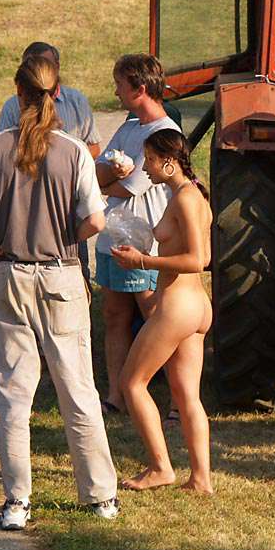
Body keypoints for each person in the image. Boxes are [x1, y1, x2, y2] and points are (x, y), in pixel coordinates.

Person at [0, 54, 119, 528]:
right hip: (60, 272)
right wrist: (69, 234)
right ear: (55, 94)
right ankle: (100, 496)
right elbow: (97, 218)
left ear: (18, 94)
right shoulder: (73, 150)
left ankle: (17, 501)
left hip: (11, 274)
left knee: (14, 395)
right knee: (77, 388)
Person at [111, 129, 213, 493]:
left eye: (150, 160)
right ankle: (201, 479)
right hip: (196, 306)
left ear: (169, 162)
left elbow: (200, 259)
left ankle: (160, 468)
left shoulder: (186, 198)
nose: (146, 168)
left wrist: (143, 260)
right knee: (186, 395)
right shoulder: (194, 194)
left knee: (131, 382)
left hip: (179, 305)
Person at [94, 54, 181, 415]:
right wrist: (110, 178)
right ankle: (118, 395)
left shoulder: (164, 134)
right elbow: (95, 178)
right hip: (111, 239)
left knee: (157, 319)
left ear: (139, 88)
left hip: (144, 242)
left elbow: (129, 187)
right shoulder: (128, 127)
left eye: (120, 85)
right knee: (114, 315)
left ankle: (178, 400)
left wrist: (111, 179)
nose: (116, 92)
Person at [0, 41, 101, 282]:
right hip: (25, 203)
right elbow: (3, 155)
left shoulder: (76, 101)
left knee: (75, 270)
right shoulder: (13, 107)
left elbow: (94, 146)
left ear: (57, 67)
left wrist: (66, 163)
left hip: (67, 203)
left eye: (47, 66)